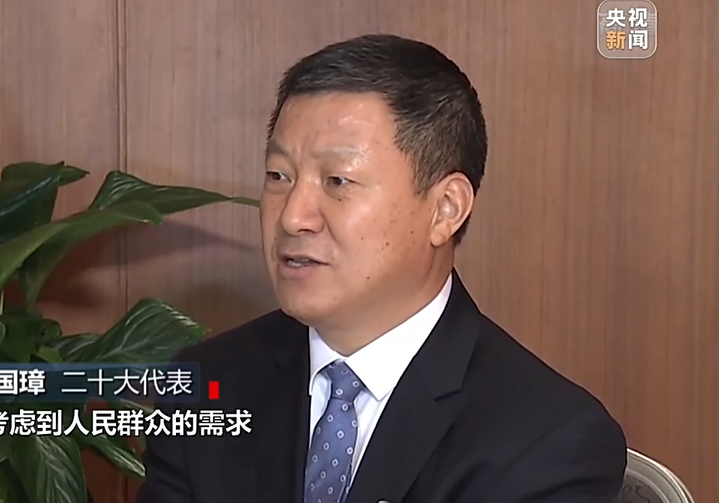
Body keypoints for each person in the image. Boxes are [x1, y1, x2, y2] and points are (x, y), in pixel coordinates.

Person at [137, 34, 627, 503]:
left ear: (446, 209)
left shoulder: (546, 439)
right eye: (278, 176)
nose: (292, 217)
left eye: (338, 181)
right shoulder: (206, 386)